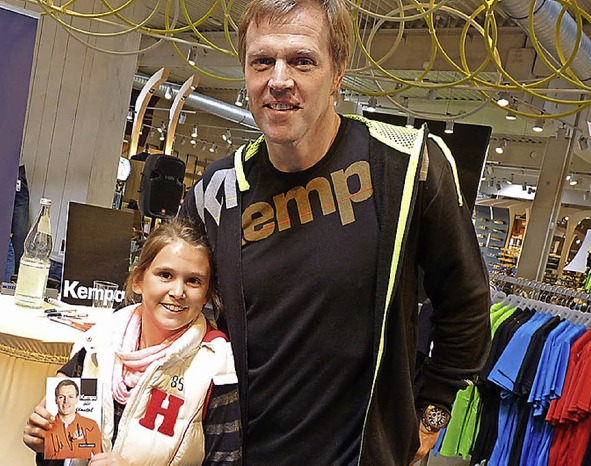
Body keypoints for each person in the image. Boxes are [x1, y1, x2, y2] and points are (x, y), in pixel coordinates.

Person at [179, 0, 492, 464]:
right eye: (262, 60)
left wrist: (432, 414)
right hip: (233, 453)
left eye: (302, 61)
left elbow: (466, 305)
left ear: (338, 72)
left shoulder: (407, 168)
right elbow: (165, 309)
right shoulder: (217, 190)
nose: (279, 80)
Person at [23, 218, 241, 465]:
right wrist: (44, 445)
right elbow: (63, 454)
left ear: (206, 295)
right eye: (165, 275)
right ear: (138, 280)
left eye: (193, 281)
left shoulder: (217, 366)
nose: (179, 292)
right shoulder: (97, 344)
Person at [43, 379, 101, 460]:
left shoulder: (91, 425)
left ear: (77, 399)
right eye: (61, 397)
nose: (66, 401)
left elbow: (99, 459)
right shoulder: (47, 426)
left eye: (70, 396)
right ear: (56, 400)